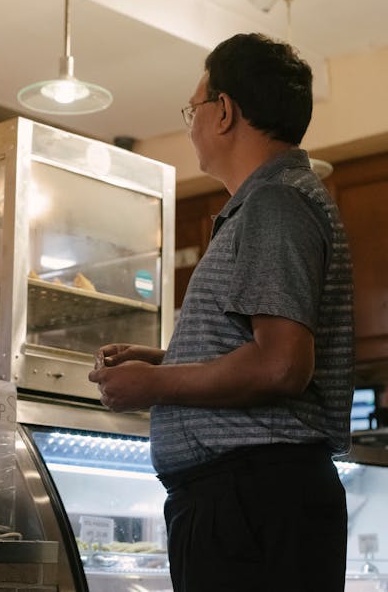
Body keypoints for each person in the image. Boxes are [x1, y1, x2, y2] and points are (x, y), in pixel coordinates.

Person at [88, 33, 354, 592]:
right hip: (250, 500)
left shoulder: (274, 203)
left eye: (194, 108)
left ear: (225, 111)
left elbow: (282, 366)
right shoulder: (271, 202)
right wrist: (164, 359)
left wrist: (155, 384)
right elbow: (262, 350)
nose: (191, 125)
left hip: (249, 502)